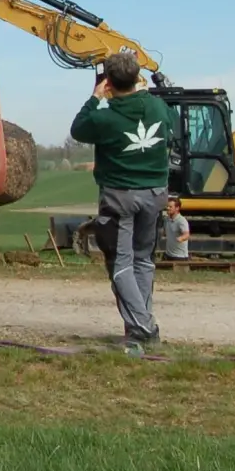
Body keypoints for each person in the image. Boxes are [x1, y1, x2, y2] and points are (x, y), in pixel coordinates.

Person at [69, 52, 178, 350]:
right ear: (137, 77)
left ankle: (143, 328)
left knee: (120, 262)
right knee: (143, 260)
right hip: (155, 195)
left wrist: (95, 97)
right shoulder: (157, 107)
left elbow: (78, 129)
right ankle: (139, 326)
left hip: (120, 197)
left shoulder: (105, 116)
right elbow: (172, 121)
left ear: (108, 81)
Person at [163, 196, 190, 261]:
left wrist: (181, 238)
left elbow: (186, 234)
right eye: (167, 206)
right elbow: (165, 233)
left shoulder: (181, 220)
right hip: (168, 255)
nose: (168, 208)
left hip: (180, 257)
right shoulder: (166, 219)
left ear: (177, 208)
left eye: (170, 207)